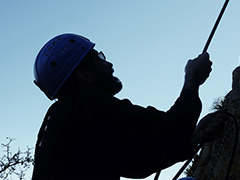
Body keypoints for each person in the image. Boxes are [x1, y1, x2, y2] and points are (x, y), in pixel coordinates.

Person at [32, 33, 228, 180]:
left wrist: (194, 139)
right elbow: (170, 130)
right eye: (98, 58)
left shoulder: (61, 122)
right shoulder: (88, 104)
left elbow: (136, 164)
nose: (109, 65)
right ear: (85, 74)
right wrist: (192, 81)